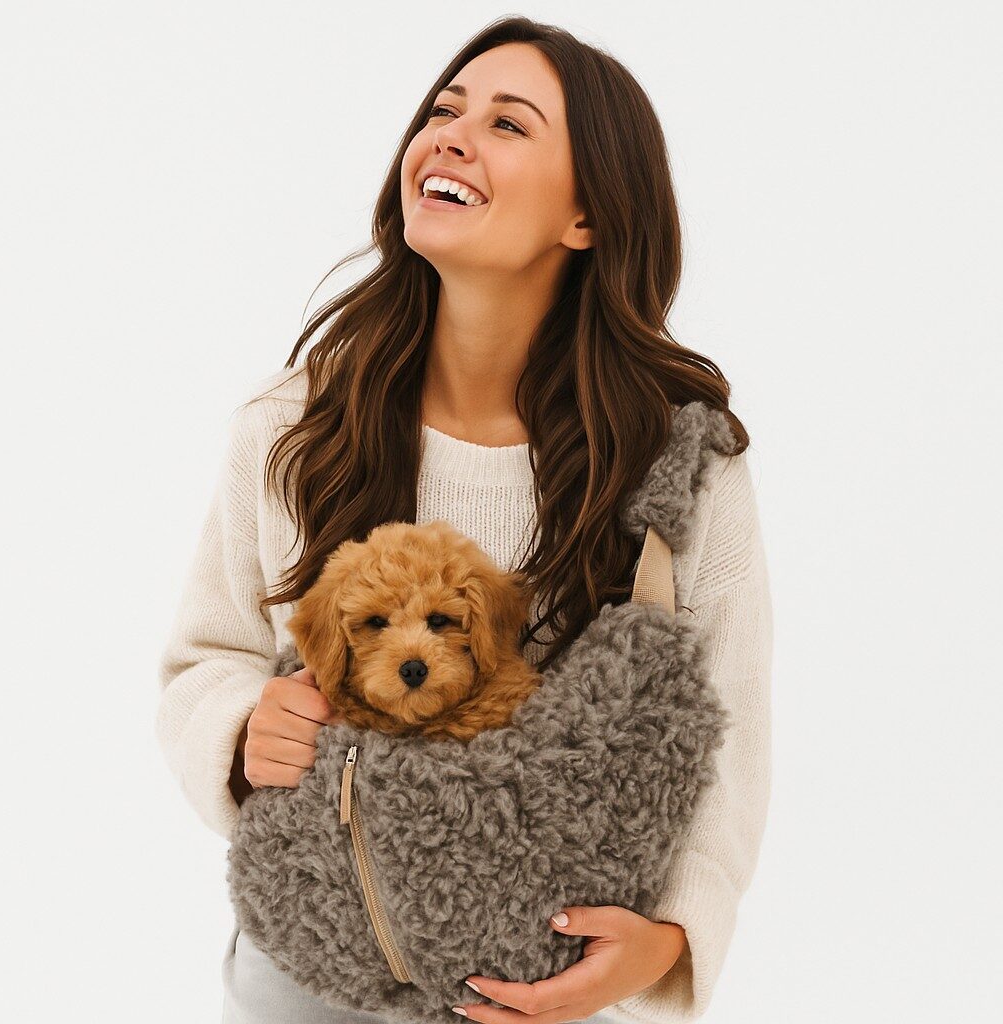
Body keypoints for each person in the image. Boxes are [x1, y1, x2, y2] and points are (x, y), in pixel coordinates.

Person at [157, 16, 772, 1024]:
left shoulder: (675, 463)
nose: (449, 135)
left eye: (507, 124)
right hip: (308, 974)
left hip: (549, 986)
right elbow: (207, 655)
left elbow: (726, 728)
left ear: (588, 213)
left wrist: (667, 943)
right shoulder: (294, 426)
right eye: (443, 111)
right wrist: (239, 729)